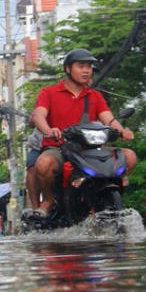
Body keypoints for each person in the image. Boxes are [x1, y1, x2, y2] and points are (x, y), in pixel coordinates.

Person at [32, 49, 136, 217]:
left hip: (90, 150)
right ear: (67, 69)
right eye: (81, 66)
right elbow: (39, 115)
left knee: (129, 156)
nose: (86, 70)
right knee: (44, 163)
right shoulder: (49, 93)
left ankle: (109, 194)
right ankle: (49, 200)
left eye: (89, 66)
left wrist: (121, 130)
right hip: (60, 148)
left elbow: (108, 119)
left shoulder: (94, 96)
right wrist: (48, 130)